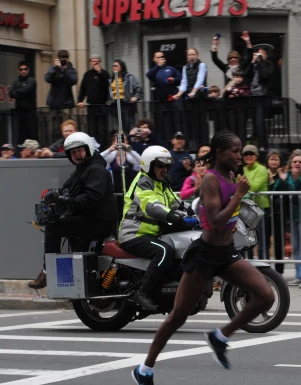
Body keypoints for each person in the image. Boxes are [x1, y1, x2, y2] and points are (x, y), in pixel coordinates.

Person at [132, 130, 275, 385]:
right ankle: (145, 369)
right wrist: (239, 196)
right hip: (205, 255)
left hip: (226, 252)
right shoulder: (211, 179)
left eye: (241, 150)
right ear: (221, 153)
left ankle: (220, 337)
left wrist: (235, 219)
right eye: (235, 151)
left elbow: (227, 218)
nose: (239, 155)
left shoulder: (231, 176)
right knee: (178, 316)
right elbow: (216, 217)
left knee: (266, 295)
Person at [28, 132, 118, 289]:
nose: (77, 155)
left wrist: (69, 203)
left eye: (79, 151)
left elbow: (92, 197)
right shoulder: (82, 170)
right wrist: (54, 195)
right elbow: (67, 189)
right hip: (90, 218)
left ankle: (47, 272)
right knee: (61, 224)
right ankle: (79, 275)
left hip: (99, 221)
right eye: (73, 153)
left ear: (88, 149)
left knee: (54, 226)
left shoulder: (96, 170)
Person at [119, 146, 190, 312]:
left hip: (152, 234)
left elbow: (177, 203)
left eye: (166, 166)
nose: (164, 170)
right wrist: (174, 216)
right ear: (148, 166)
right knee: (164, 252)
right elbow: (152, 206)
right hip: (133, 234)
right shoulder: (142, 183)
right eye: (159, 166)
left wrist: (200, 211)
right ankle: (142, 292)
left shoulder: (161, 183)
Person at [274, 153, 301, 288]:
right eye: (294, 162)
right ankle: (299, 275)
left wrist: (298, 178)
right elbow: (279, 190)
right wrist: (282, 179)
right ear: (290, 164)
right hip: (293, 216)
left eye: (299, 162)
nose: (297, 164)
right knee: (296, 246)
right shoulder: (288, 175)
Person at [241, 144, 271, 260]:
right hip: (245, 209)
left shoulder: (262, 169)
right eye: (246, 154)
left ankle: (265, 269)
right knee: (247, 240)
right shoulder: (242, 169)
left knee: (262, 240)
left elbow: (253, 187)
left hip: (260, 208)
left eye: (251, 154)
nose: (248, 156)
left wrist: (242, 183)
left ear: (256, 156)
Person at [77, 55, 110, 147]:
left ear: (100, 62)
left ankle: (103, 146)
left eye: (97, 61)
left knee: (102, 127)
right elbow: (83, 88)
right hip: (91, 105)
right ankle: (93, 146)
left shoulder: (105, 73)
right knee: (92, 127)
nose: (95, 63)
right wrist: (80, 100)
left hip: (103, 104)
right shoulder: (87, 74)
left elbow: (108, 84)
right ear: (90, 62)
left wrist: (100, 72)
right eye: (93, 61)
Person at [266, 150, 289, 274]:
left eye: (276, 159)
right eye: (271, 159)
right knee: (265, 241)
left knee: (279, 242)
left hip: (279, 212)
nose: (274, 162)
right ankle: (265, 270)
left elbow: (286, 191)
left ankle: (279, 271)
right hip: (266, 211)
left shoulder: (284, 174)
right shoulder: (264, 174)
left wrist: (282, 179)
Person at [109, 59, 142, 131]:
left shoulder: (129, 77)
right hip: (116, 105)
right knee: (120, 127)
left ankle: (131, 141)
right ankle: (123, 141)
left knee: (130, 126)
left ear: (121, 67)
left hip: (127, 104)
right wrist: (110, 100)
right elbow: (110, 91)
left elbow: (138, 88)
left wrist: (135, 97)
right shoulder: (111, 79)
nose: (113, 67)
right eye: (113, 66)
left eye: (116, 66)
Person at [9, 61, 37, 144]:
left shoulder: (31, 80)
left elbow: (27, 90)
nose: (23, 71)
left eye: (25, 69)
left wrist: (17, 92)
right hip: (19, 111)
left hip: (30, 111)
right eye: (21, 69)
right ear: (19, 70)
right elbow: (10, 93)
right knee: (20, 134)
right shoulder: (16, 81)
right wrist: (20, 92)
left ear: (28, 70)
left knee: (30, 133)